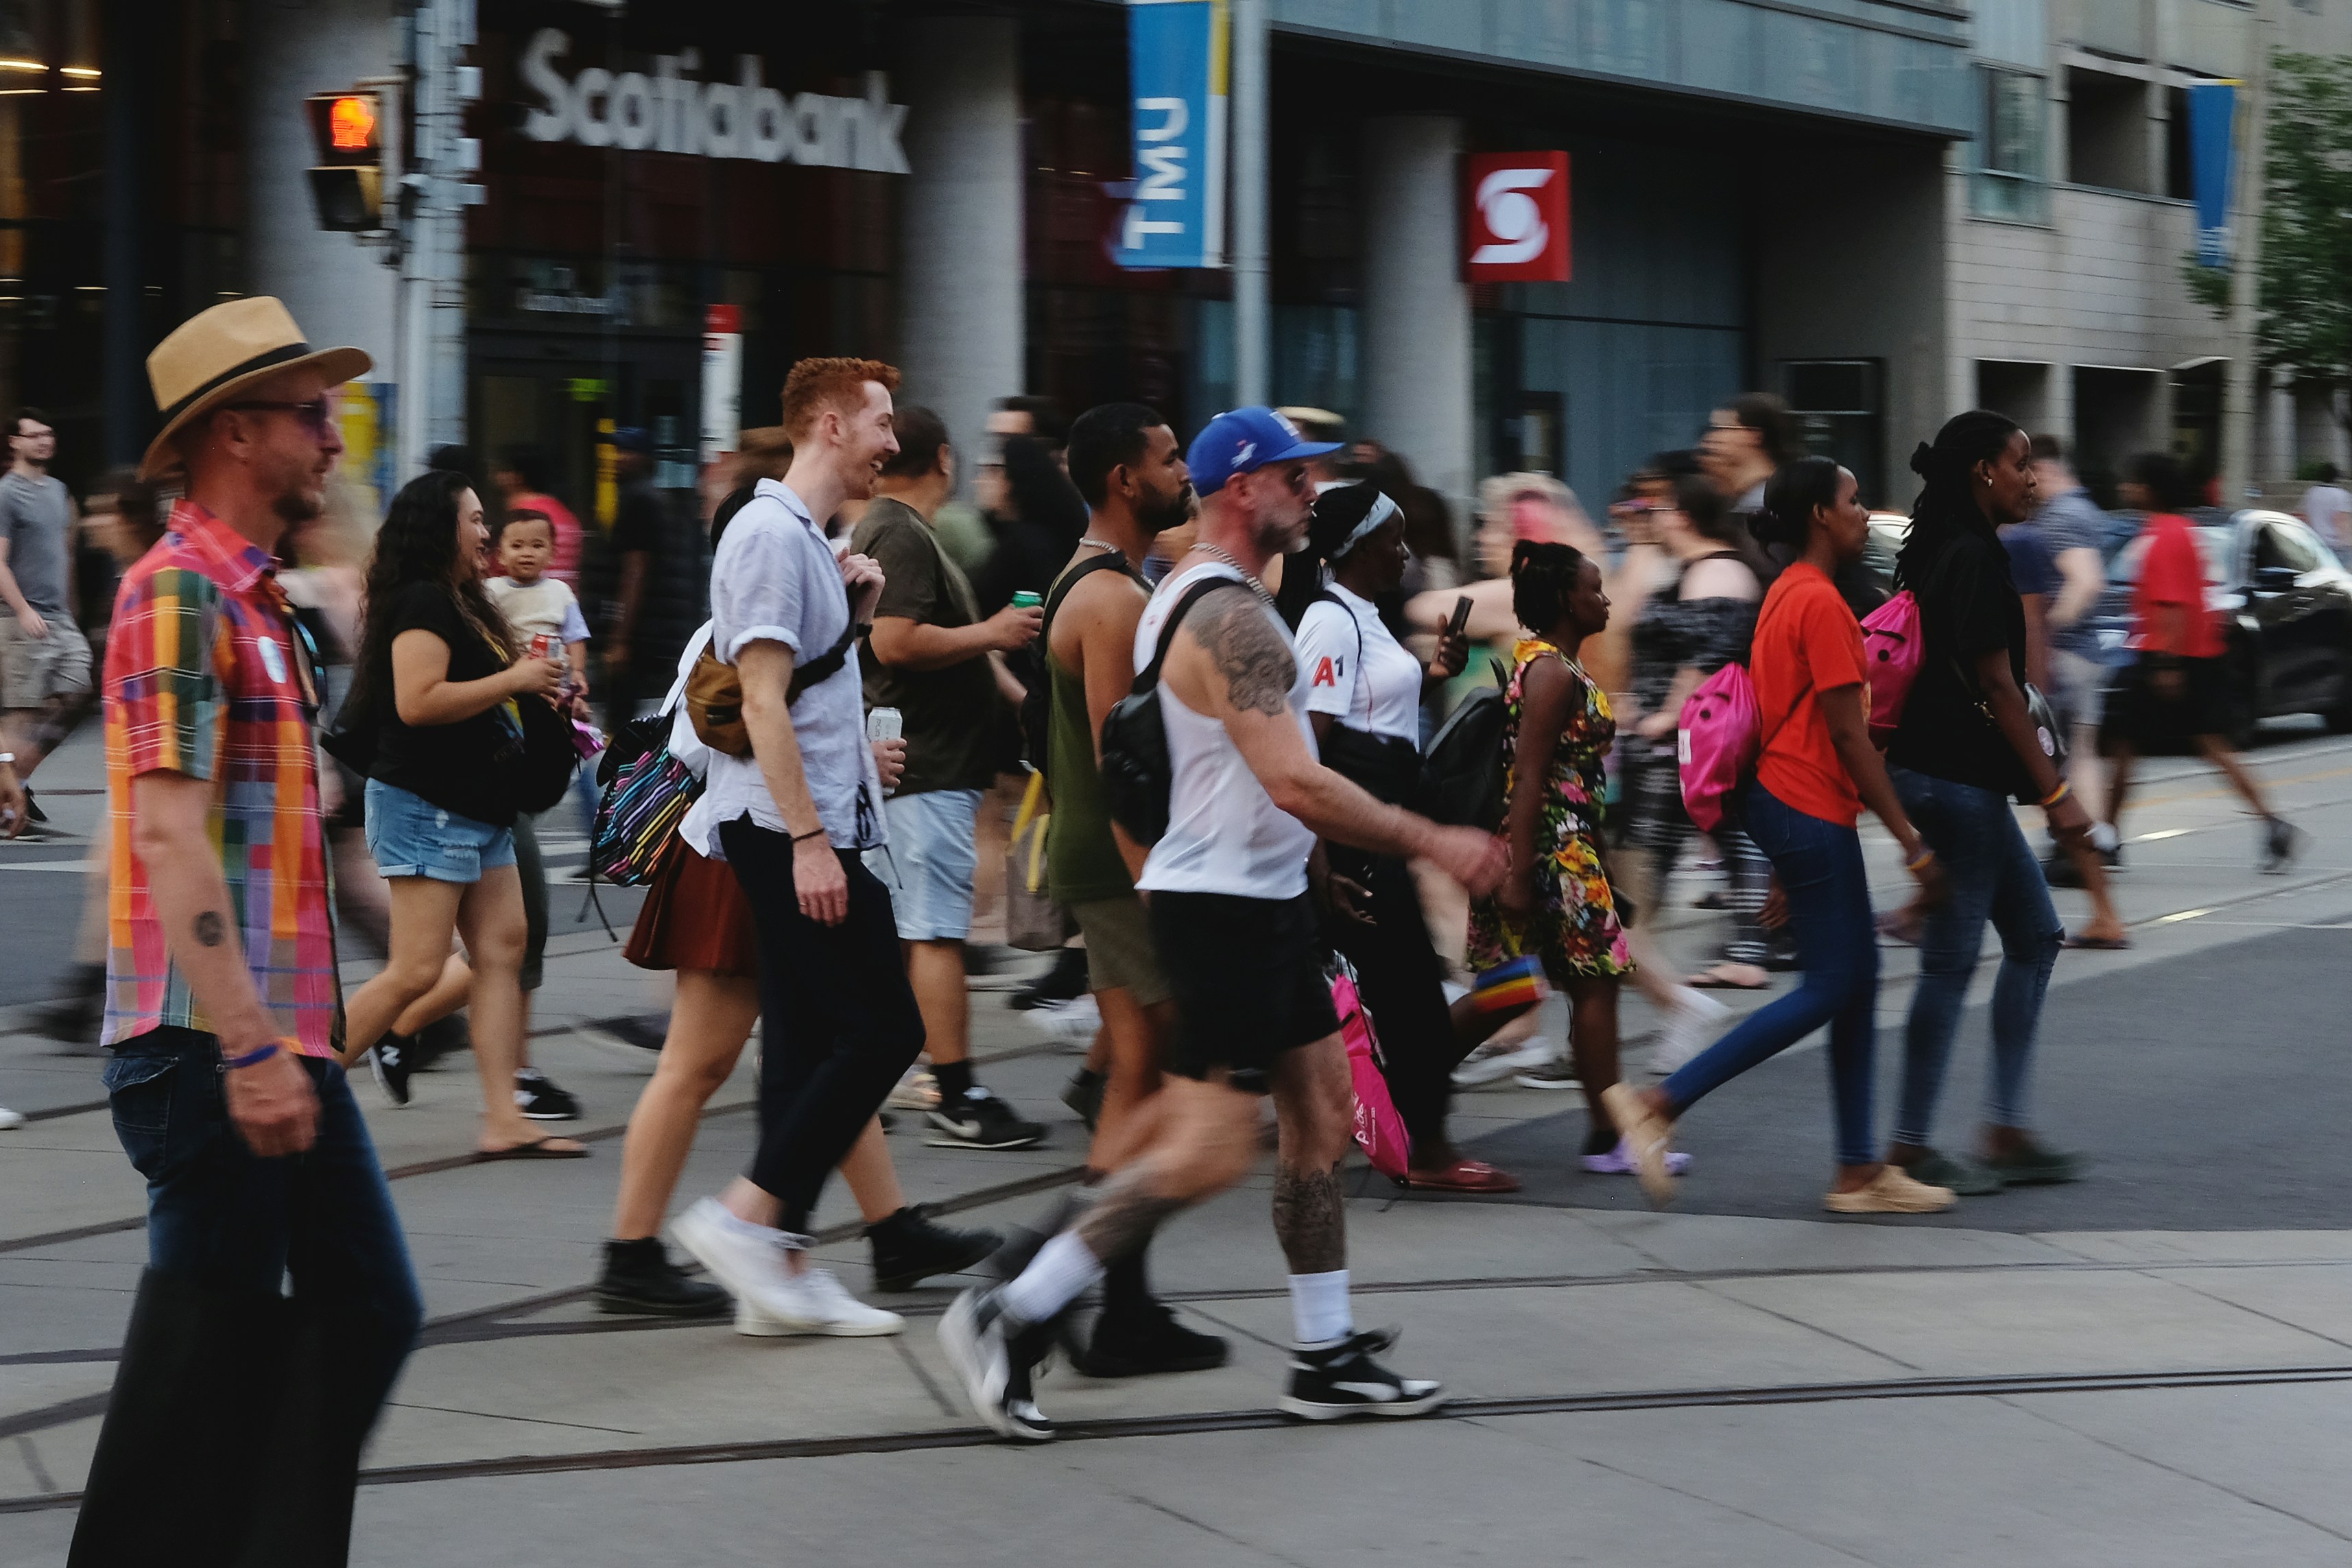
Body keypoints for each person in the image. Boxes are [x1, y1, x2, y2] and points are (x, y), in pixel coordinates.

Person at [939, 406, 1507, 1442]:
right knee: (1206, 1150)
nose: (1311, 491)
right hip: (1225, 910)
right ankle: (1013, 1307)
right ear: (1244, 487)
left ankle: (1325, 1352)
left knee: (1321, 1115)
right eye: (1296, 476)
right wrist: (1436, 839)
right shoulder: (1226, 617)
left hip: (1263, 895)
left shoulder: (1214, 597)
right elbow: (1295, 778)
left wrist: (1317, 874)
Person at [71, 296, 422, 1565]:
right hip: (207, 1048)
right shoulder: (175, 598)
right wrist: (250, 1046)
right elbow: (167, 835)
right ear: (235, 432)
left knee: (361, 1313)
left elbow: (294, 840)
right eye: (311, 415)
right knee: (205, 1365)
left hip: (274, 1040)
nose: (333, 440)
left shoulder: (260, 602)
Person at [597, 491, 998, 1318]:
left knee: (822, 1048)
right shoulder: (735, 636)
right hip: (734, 862)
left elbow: (804, 731)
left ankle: (885, 1229)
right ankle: (634, 1250)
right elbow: (723, 737)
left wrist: (859, 755)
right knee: (706, 1061)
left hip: (764, 851)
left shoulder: (812, 629)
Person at [1613, 456, 1954, 1215]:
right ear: (1820, 518)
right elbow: (1848, 735)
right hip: (1808, 809)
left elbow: (1780, 723)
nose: (1865, 513)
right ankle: (1660, 1102)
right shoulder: (1822, 604)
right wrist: (1914, 844)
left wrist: (1781, 862)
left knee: (1857, 983)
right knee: (1834, 985)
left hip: (1790, 808)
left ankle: (1858, 1173)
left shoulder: (1786, 594)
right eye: (1854, 501)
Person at [664, 357, 927, 1336]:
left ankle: (779, 1263)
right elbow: (760, 700)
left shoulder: (808, 539)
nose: (891, 443)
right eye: (880, 423)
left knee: (808, 1040)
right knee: (885, 1029)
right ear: (827, 424)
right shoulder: (771, 534)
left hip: (811, 818)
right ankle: (746, 1216)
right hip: (788, 828)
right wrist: (813, 840)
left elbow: (794, 684)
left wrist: (853, 628)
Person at [1019, 399, 1228, 1372]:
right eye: (1169, 457)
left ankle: (1115, 1305)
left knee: (1136, 1068)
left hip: (1094, 860)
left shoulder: (1095, 576)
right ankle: (1070, 1276)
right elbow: (1120, 758)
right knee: (1171, 1074)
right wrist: (1157, 879)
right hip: (1120, 864)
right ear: (1122, 479)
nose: (1182, 472)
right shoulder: (1110, 599)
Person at [331, 471, 587, 1159]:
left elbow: (479, 697)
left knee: (502, 949)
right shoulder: (421, 601)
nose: (485, 532)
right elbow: (418, 701)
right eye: (474, 520)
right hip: (427, 802)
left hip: (478, 802)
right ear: (439, 528)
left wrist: (544, 698)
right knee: (416, 970)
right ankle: (304, 1089)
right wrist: (515, 680)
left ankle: (504, 1118)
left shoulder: (462, 600)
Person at [1882, 413, 2091, 1195]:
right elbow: (1998, 687)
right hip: (1954, 781)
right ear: (1981, 472)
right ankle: (1907, 1147)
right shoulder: (1970, 556)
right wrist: (2058, 794)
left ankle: (2004, 1128)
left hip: (1960, 780)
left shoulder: (1951, 548)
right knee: (1950, 963)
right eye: (2020, 464)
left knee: (2035, 937)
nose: (2031, 479)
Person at [1281, 482, 1509, 1191]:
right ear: (1357, 548)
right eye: (1393, 539)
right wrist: (1321, 864)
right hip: (1355, 844)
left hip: (1379, 834)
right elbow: (1306, 751)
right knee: (1408, 994)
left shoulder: (1364, 616)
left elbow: (1370, 702)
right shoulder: (1329, 622)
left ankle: (1403, 1133)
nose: (1404, 551)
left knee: (1405, 990)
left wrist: (1433, 669)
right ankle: (1425, 1150)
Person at [852, 404, 1049, 1148]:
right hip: (921, 765)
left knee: (910, 931)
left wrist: (1019, 695)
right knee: (934, 932)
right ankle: (955, 1088)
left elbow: (954, 648)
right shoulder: (899, 531)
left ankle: (873, 1070)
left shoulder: (906, 530)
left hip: (931, 763)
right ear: (944, 461)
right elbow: (898, 643)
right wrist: (993, 631)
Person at [1449, 540, 1653, 1176]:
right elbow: (1529, 776)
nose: (1606, 598)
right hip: (1550, 849)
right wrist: (1517, 874)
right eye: (1594, 588)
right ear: (1567, 599)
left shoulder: (1550, 663)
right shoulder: (1552, 672)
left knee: (1514, 989)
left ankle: (1405, 1078)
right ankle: (1608, 1136)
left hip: (1563, 846)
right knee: (1591, 988)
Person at [1618, 471, 1767, 1062]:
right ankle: (1669, 1006)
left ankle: (1676, 1008)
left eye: (1655, 506)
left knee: (1631, 890)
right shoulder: (1677, 571)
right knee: (1629, 891)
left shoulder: (1719, 570)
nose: (1644, 514)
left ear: (1681, 513)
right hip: (1651, 747)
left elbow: (1709, 653)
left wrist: (1665, 716)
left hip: (1674, 751)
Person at [2102, 452, 2302, 872]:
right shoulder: (2183, 530)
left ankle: (2106, 836)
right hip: (2193, 656)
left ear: (2150, 489)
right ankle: (2273, 823)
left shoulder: (2164, 536)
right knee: (2207, 748)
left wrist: (2166, 665)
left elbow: (2172, 604)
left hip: (2168, 657)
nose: (2127, 489)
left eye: (2134, 482)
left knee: (2125, 746)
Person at [2026, 435, 2127, 887]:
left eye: (2030, 476)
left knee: (2061, 756)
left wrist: (2048, 631)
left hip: (2068, 652)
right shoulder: (2085, 510)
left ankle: (2079, 843)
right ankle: (2093, 840)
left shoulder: (2060, 516)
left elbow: (2085, 581)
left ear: (2045, 471)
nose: (2027, 486)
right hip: (2092, 651)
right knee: (2080, 752)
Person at [0, 406, 92, 827]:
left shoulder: (59, 491)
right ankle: (13, 792)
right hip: (19, 617)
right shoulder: (6, 493)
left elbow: (66, 554)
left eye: (48, 433)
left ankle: (13, 780)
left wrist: (72, 609)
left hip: (60, 617)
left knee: (76, 692)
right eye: (34, 434)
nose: (44, 440)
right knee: (21, 712)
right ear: (14, 443)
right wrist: (22, 610)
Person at [604, 426, 703, 720]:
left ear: (645, 458)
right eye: (617, 451)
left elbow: (636, 569)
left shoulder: (639, 500)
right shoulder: (657, 498)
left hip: (643, 631)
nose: (618, 458)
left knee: (624, 716)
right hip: (655, 628)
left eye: (627, 452)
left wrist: (620, 639)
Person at [491, 442, 585, 586]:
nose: (496, 477)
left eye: (501, 471)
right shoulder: (567, 516)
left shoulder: (519, 519)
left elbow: (496, 571)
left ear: (516, 477)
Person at [2299, 461, 2350, 551]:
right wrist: (2347, 542)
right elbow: (2341, 519)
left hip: (2315, 541)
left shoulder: (2311, 492)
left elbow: (2304, 517)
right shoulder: (2341, 495)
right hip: (2334, 543)